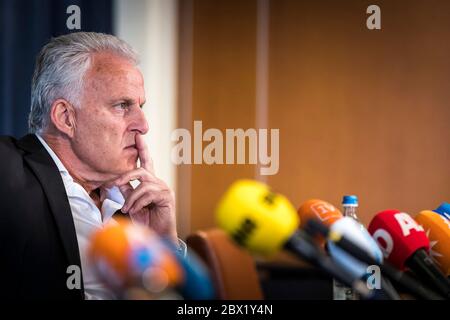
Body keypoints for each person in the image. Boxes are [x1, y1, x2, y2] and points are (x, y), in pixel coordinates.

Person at [0, 32, 182, 300]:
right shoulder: (7, 170)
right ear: (65, 117)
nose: (143, 125)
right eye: (122, 105)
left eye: (140, 106)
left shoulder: (133, 206)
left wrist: (162, 241)